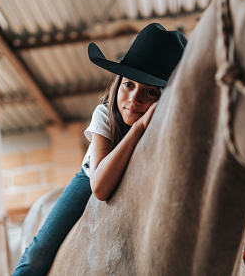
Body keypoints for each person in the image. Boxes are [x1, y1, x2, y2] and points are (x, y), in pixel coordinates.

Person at [12, 23, 187, 276]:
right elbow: (101, 189)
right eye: (129, 85)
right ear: (119, 83)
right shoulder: (104, 115)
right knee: (37, 253)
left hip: (144, 180)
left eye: (150, 92)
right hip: (92, 176)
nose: (134, 99)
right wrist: (139, 128)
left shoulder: (170, 129)